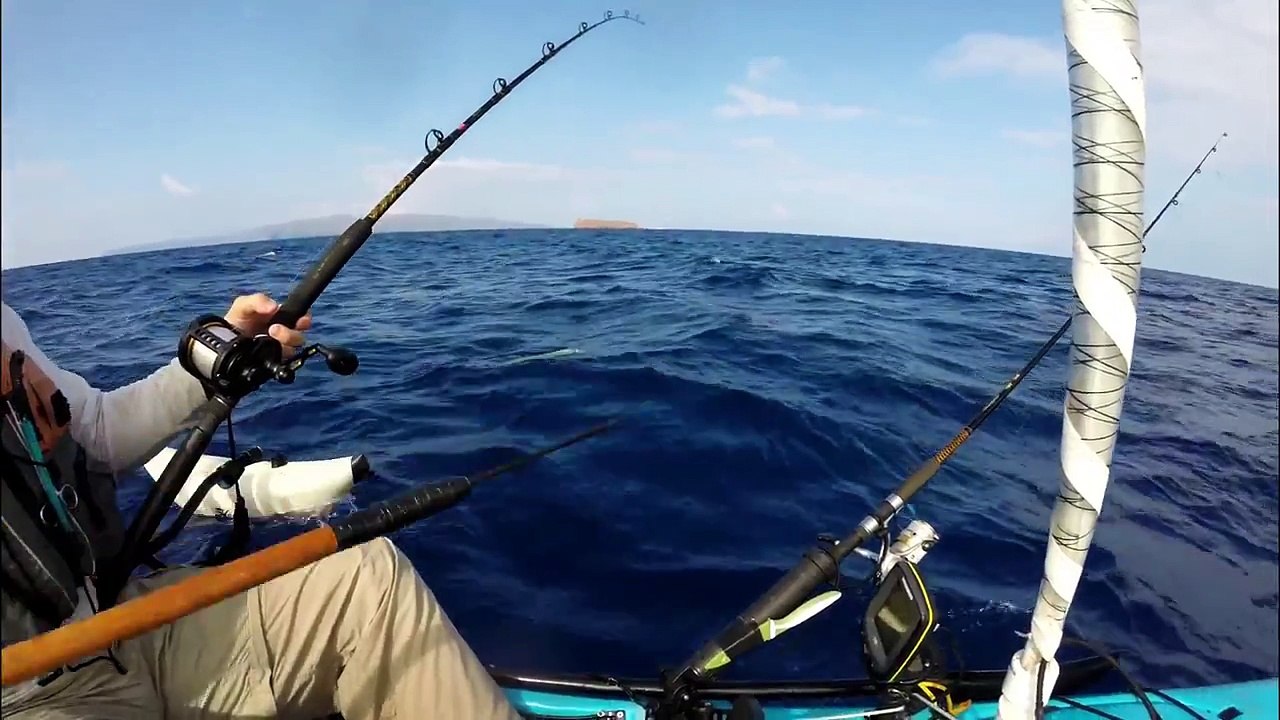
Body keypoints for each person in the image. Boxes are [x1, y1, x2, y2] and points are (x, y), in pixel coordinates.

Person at [1, 294, 521, 720]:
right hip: (27, 696)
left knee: (369, 581)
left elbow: (95, 430)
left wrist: (216, 361)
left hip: (117, 624)